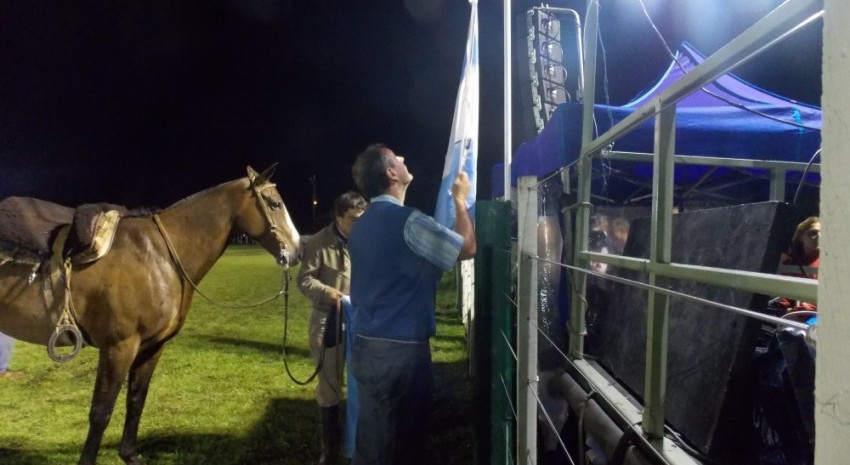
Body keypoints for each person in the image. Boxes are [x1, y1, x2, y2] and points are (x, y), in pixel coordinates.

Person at [347, 143, 476, 465]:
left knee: (373, 440)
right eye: (398, 158)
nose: (404, 159)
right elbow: (467, 247)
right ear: (391, 173)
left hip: (364, 346)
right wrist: (460, 201)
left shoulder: (360, 224)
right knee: (405, 446)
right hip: (401, 354)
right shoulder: (410, 222)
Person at [297, 191, 368, 465]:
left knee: (364, 384)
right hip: (329, 322)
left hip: (363, 322)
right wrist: (330, 293)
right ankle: (331, 450)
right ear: (338, 217)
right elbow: (304, 281)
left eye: (363, 219)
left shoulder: (368, 239)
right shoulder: (318, 243)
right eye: (353, 219)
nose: (359, 225)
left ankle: (361, 444)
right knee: (329, 387)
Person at [768, 216, 820, 321]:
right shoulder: (791, 262)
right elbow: (786, 291)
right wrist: (781, 306)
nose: (818, 236)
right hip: (792, 313)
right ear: (800, 236)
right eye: (812, 233)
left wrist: (796, 312)